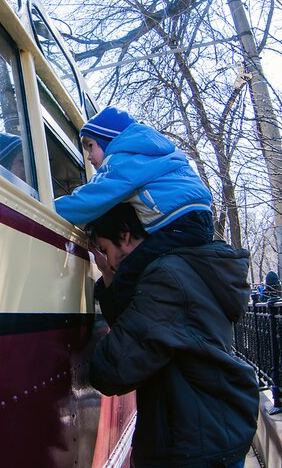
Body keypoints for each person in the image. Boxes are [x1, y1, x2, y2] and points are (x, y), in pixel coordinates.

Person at [86, 203, 258, 467]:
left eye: (106, 249)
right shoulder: (185, 266)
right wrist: (111, 282)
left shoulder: (165, 278)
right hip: (211, 433)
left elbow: (114, 368)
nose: (106, 261)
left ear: (125, 235)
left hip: (192, 446)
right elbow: (145, 334)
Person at [55, 107, 215, 321]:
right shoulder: (148, 152)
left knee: (131, 272)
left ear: (109, 139)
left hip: (180, 221)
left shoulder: (125, 159)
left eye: (91, 146)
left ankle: (127, 322)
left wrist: (53, 207)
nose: (89, 156)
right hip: (195, 218)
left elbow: (95, 197)